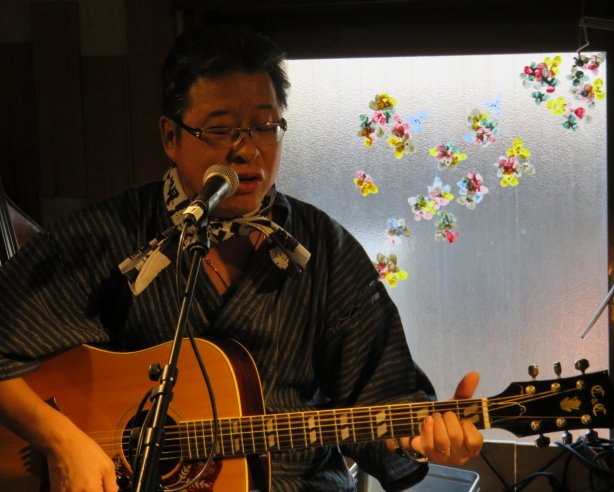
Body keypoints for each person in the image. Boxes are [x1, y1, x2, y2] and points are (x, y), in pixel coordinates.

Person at [0, 25, 483, 491]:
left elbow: (383, 396)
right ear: (170, 137)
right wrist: (60, 440)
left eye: (266, 127)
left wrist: (424, 442)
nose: (248, 150)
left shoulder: (324, 250)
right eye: (220, 130)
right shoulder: (107, 235)